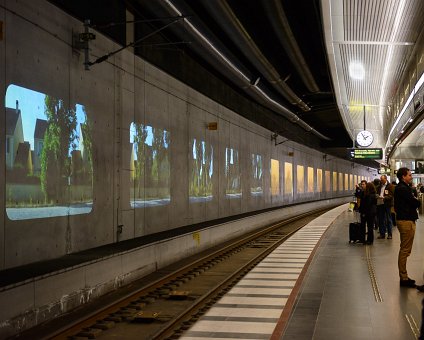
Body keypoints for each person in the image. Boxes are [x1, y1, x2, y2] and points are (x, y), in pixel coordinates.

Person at [394, 167, 420, 287]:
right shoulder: (403, 189)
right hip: (406, 222)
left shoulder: (402, 188)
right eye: (409, 175)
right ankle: (403, 278)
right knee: (405, 250)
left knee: (405, 250)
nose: (411, 177)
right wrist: (416, 200)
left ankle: (404, 276)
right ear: (403, 176)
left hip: (405, 220)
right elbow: (415, 203)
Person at [376, 175, 394, 239]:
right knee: (381, 219)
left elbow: (391, 196)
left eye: (382, 179)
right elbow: (377, 193)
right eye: (381, 179)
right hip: (380, 204)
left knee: (388, 219)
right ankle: (382, 234)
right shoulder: (379, 186)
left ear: (386, 179)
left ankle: (390, 234)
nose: (381, 181)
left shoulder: (390, 186)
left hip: (387, 204)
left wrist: (384, 197)